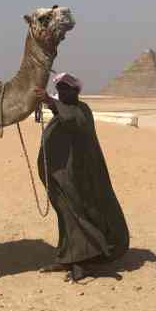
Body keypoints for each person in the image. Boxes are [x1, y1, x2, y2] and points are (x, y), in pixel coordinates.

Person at [35, 72, 130, 282]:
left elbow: (72, 120)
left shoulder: (81, 110)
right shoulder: (65, 108)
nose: (61, 91)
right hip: (61, 175)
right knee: (65, 214)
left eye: (66, 88)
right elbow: (62, 113)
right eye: (59, 88)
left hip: (78, 175)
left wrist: (51, 101)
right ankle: (67, 257)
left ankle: (81, 262)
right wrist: (50, 104)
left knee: (76, 214)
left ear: (76, 91)